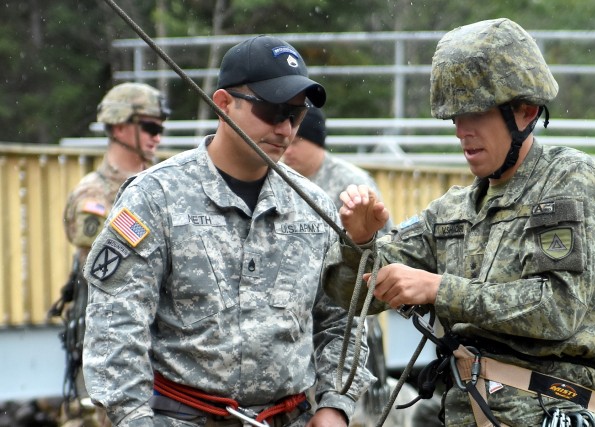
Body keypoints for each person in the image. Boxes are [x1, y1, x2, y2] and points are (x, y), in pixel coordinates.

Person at [322, 18, 595, 427]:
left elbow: (558, 310)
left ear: (525, 111)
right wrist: (359, 242)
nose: (463, 132)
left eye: (476, 114)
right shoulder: (453, 210)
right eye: (455, 118)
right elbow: (351, 296)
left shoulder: (569, 180)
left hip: (547, 410)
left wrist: (438, 289)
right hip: (462, 408)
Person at [81, 35, 373, 427]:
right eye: (271, 110)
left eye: (296, 115)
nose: (285, 129)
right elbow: (116, 320)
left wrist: (335, 404)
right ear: (223, 104)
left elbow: (340, 317)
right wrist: (132, 417)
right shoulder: (157, 197)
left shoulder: (314, 204)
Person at [283, 107, 422, 427]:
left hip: (348, 319)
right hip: (299, 318)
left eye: (297, 142)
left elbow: (385, 253)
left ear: (317, 142)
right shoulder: (282, 179)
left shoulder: (353, 185)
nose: (287, 148)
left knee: (358, 410)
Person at [50, 82, 170, 427]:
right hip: (117, 338)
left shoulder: (161, 183)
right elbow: (109, 273)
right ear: (119, 126)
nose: (157, 137)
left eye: (160, 128)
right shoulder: (94, 196)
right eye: (149, 126)